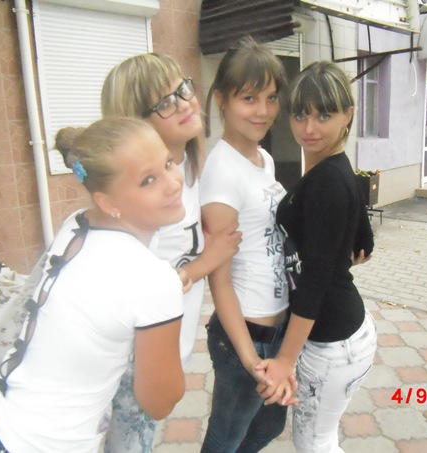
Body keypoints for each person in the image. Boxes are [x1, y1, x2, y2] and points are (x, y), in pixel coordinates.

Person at [0, 117, 186, 453]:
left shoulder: (76, 224)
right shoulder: (155, 281)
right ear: (108, 202)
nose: (173, 183)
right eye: (148, 180)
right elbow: (160, 402)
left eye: (168, 163)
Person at [100, 53, 241, 453]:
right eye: (164, 102)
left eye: (183, 88)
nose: (184, 102)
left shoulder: (189, 169)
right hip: (132, 362)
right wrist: (206, 262)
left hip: (166, 351)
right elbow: (132, 293)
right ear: (135, 124)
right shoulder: (143, 201)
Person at [257, 61, 377, 453]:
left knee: (314, 444)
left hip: (332, 343)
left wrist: (284, 361)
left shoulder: (329, 181)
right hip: (343, 333)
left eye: (324, 116)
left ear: (348, 115)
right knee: (319, 441)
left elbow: (314, 285)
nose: (309, 128)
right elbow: (364, 243)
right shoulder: (335, 168)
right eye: (300, 115)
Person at [198, 36, 291, 453]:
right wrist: (250, 358)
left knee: (268, 425)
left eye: (271, 98)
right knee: (225, 440)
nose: (263, 111)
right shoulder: (222, 173)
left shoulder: (263, 159)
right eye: (249, 98)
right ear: (222, 100)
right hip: (246, 338)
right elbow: (218, 281)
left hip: (276, 329)